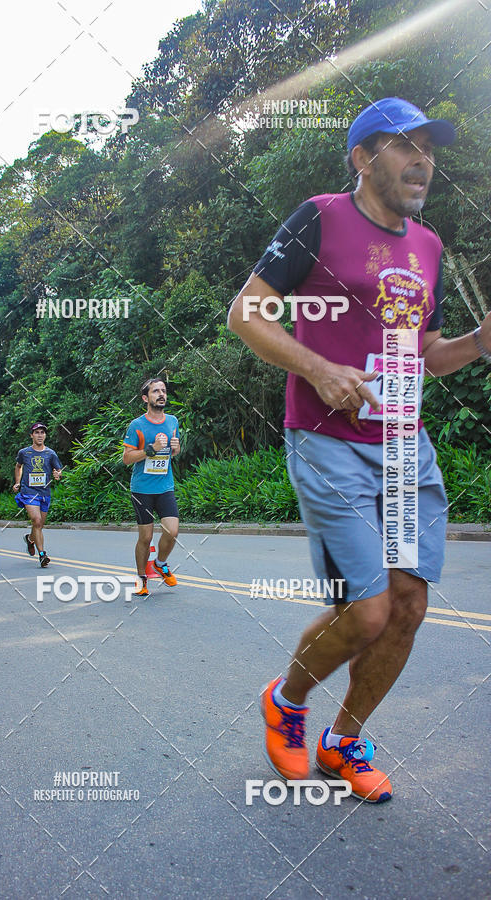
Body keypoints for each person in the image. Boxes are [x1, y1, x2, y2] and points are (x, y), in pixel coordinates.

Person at [228, 97, 491, 803]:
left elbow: (428, 353)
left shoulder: (429, 247)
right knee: (368, 609)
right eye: (405, 146)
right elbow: (245, 313)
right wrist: (317, 368)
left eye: (430, 149)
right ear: (363, 157)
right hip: (326, 441)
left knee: (408, 604)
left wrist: (480, 340)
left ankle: (344, 740)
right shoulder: (319, 217)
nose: (423, 160)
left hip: (405, 445)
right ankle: (286, 701)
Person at [123, 378, 181, 596]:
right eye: (156, 391)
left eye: (163, 390)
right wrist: (151, 449)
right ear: (146, 398)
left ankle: (159, 562)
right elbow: (127, 459)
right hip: (142, 490)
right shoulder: (137, 425)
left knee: (172, 531)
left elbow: (172, 452)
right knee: (145, 537)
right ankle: (141, 579)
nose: (161, 394)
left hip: (165, 486)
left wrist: (175, 448)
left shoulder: (173, 421)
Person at [13, 424, 63, 567]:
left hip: (44, 492)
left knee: (39, 524)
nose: (40, 435)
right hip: (28, 492)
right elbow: (18, 466)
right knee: (36, 520)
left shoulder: (50, 453)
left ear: (45, 436)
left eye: (42, 433)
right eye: (36, 432)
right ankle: (42, 554)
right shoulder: (24, 453)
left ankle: (30, 539)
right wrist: (17, 482)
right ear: (31, 435)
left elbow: (58, 470)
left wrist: (57, 474)